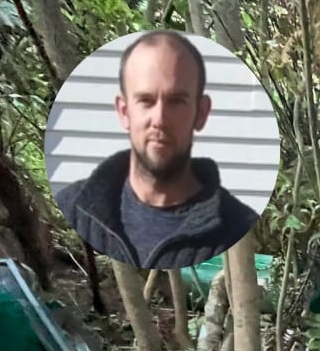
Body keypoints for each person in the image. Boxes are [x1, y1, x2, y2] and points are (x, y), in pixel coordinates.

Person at [55, 30, 259, 270]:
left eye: (176, 101)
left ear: (201, 113)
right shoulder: (76, 205)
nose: (160, 119)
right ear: (124, 111)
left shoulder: (234, 221)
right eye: (146, 101)